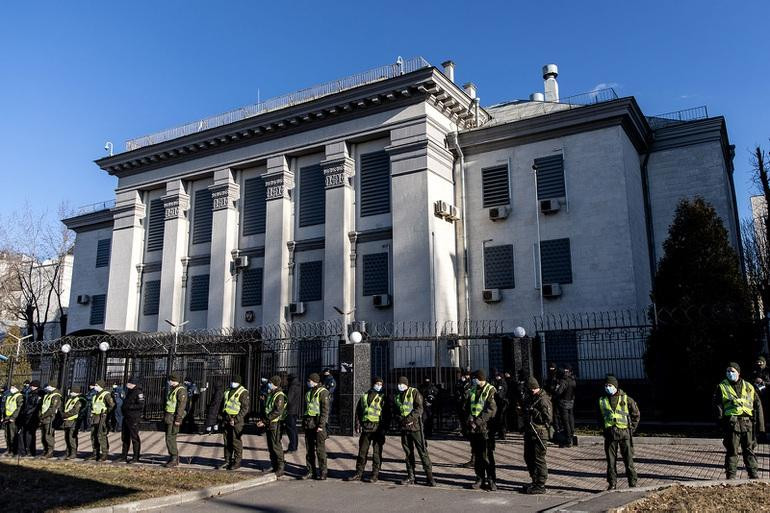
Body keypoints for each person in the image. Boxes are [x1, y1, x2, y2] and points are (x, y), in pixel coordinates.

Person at [713, 362, 764, 480]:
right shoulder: (722, 386)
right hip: (732, 424)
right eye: (728, 371)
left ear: (738, 373)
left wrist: (761, 427)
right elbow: (718, 407)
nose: (730, 373)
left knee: (749, 450)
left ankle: (753, 476)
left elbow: (758, 406)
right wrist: (721, 424)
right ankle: (731, 477)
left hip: (747, 424)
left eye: (732, 371)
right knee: (732, 451)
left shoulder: (749, 386)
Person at [599, 374, 639, 489]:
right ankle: (612, 483)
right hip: (610, 434)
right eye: (606, 385)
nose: (607, 387)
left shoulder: (626, 399)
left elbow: (636, 414)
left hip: (624, 433)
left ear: (615, 386)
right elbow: (600, 417)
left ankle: (632, 483)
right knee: (611, 461)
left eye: (610, 385)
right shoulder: (602, 400)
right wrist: (604, 429)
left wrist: (631, 429)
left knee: (628, 460)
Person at [347, 376, 389, 482]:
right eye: (377, 384)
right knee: (362, 452)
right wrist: (357, 425)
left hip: (378, 428)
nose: (379, 386)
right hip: (366, 428)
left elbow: (388, 413)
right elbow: (358, 412)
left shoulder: (384, 397)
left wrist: (384, 428)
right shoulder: (364, 396)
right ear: (373, 384)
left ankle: (375, 474)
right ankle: (359, 473)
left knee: (376, 453)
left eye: (381, 384)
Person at [395, 376, 435, 486]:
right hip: (405, 428)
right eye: (399, 384)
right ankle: (411, 476)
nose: (400, 385)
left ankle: (430, 477)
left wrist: (408, 419)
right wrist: (400, 420)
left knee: (422, 452)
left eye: (402, 384)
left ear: (406, 384)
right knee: (408, 453)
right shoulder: (397, 396)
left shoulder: (414, 392)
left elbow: (419, 408)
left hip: (415, 427)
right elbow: (396, 410)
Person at [465, 370, 498, 491]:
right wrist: (470, 419)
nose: (473, 380)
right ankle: (479, 479)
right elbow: (469, 406)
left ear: (480, 378)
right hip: (474, 429)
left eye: (475, 378)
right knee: (478, 455)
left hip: (486, 428)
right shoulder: (473, 389)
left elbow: (491, 410)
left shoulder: (490, 390)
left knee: (487, 456)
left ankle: (491, 480)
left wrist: (478, 421)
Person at [519, 376, 551, 494]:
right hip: (530, 432)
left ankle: (541, 484)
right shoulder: (531, 397)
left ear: (533, 388)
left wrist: (534, 411)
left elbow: (547, 418)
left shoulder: (543, 399)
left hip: (539, 433)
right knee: (528, 457)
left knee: (539, 459)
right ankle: (535, 480)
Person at [301, 372, 330, 480]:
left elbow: (325, 410)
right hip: (309, 423)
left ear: (315, 381)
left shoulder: (323, 392)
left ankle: (323, 472)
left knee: (320, 449)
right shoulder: (308, 393)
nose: (308, 382)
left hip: (318, 423)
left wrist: (321, 425)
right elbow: (308, 409)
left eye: (309, 381)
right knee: (309, 450)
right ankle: (311, 471)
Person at [257, 375, 286, 476]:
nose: (269, 384)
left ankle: (280, 468)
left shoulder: (279, 395)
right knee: (271, 446)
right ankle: (274, 466)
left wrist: (265, 421)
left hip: (275, 423)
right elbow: (267, 408)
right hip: (269, 423)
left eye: (270, 383)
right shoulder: (271, 393)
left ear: (274, 384)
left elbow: (277, 411)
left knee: (276, 446)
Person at [219, 374, 249, 470]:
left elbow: (245, 408)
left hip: (236, 420)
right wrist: (221, 416)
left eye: (235, 382)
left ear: (239, 383)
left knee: (236, 441)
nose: (233, 383)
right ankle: (227, 460)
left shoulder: (243, 392)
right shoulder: (227, 390)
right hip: (226, 418)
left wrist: (236, 419)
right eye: (232, 381)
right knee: (227, 441)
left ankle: (237, 462)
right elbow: (224, 404)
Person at [164, 373, 187, 468]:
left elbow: (181, 407)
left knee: (170, 437)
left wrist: (178, 419)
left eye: (170, 380)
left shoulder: (180, 390)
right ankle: (173, 457)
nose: (168, 382)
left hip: (174, 417)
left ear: (173, 381)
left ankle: (174, 458)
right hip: (169, 417)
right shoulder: (174, 389)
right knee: (169, 437)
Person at [119, 376, 144, 463]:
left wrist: (129, 407)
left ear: (134, 384)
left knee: (134, 437)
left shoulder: (138, 392)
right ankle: (124, 456)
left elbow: (140, 405)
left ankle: (136, 457)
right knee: (125, 437)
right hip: (126, 417)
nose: (127, 384)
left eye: (129, 383)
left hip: (134, 418)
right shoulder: (130, 391)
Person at [90, 380, 115, 461]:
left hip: (102, 417)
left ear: (100, 386)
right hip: (95, 417)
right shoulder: (95, 395)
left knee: (101, 435)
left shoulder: (106, 394)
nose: (95, 387)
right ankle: (95, 453)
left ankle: (104, 454)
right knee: (93, 435)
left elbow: (112, 405)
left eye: (97, 385)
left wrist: (106, 413)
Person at [62, 386, 86, 459]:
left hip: (73, 421)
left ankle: (73, 453)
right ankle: (68, 452)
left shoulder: (79, 400)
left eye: (71, 391)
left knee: (72, 438)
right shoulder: (70, 399)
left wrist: (65, 415)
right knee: (67, 438)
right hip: (67, 420)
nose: (70, 393)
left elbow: (75, 411)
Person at [18, 380, 41, 457]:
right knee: (22, 434)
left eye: (32, 386)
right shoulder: (31, 393)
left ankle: (30, 451)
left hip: (32, 417)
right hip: (27, 417)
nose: (30, 387)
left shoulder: (38, 394)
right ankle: (23, 451)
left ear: (36, 386)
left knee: (29, 435)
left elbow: (36, 406)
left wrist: (27, 412)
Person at [39, 381, 62, 458]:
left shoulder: (56, 396)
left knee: (48, 436)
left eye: (48, 386)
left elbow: (52, 408)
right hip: (44, 417)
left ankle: (50, 452)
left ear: (52, 386)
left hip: (50, 418)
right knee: (43, 436)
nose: (46, 387)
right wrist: (41, 415)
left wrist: (44, 415)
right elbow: (43, 406)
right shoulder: (47, 394)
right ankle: (45, 450)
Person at [556, 364, 577, 447]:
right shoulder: (573, 380)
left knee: (565, 421)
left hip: (564, 403)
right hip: (571, 402)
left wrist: (556, 390)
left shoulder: (563, 381)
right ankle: (572, 435)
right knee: (571, 419)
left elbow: (559, 392)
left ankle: (568, 439)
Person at [2, 384, 23, 457]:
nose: (11, 389)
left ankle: (14, 451)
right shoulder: (9, 395)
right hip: (7, 418)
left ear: (17, 388)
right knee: (7, 435)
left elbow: (19, 408)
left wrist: (13, 417)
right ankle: (9, 450)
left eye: (13, 387)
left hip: (13, 419)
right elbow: (6, 407)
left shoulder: (19, 396)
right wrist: (3, 416)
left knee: (12, 435)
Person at [285, 373, 301, 452]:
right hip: (295, 410)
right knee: (294, 429)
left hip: (290, 410)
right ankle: (295, 446)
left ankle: (292, 447)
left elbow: (289, 399)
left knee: (290, 430)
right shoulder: (298, 385)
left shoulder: (292, 386)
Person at [545, 363, 560, 442]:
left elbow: (554, 387)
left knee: (555, 415)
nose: (551, 369)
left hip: (554, 397)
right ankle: (554, 432)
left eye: (552, 368)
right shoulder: (551, 376)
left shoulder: (555, 376)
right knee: (552, 415)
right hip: (552, 397)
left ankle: (556, 432)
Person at [493, 371, 509, 440]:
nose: (496, 377)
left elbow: (500, 394)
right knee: (499, 418)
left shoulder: (501, 383)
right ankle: (500, 433)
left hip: (502, 403)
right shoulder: (499, 382)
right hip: (500, 403)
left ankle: (502, 434)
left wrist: (495, 394)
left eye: (497, 376)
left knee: (501, 418)